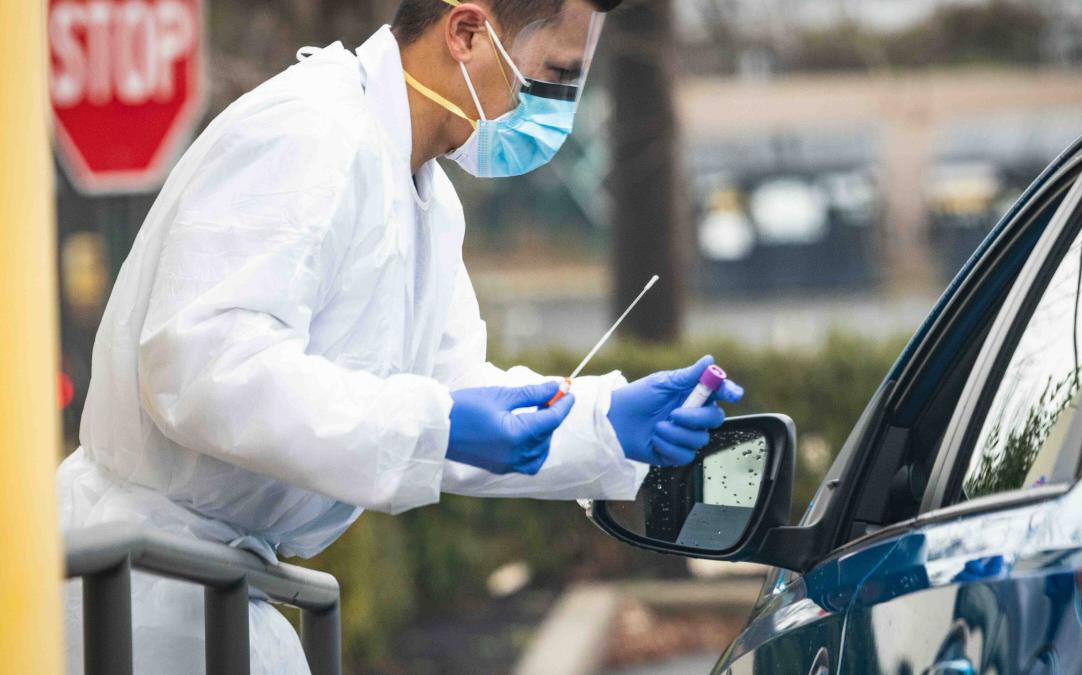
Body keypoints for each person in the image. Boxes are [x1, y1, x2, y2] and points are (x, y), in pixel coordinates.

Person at [57, 0, 743, 672]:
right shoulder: (308, 131)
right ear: (467, 33)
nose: (557, 110)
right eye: (554, 77)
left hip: (213, 590)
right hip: (141, 591)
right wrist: (435, 424)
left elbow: (445, 392)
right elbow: (201, 363)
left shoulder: (422, 195)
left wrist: (603, 421)